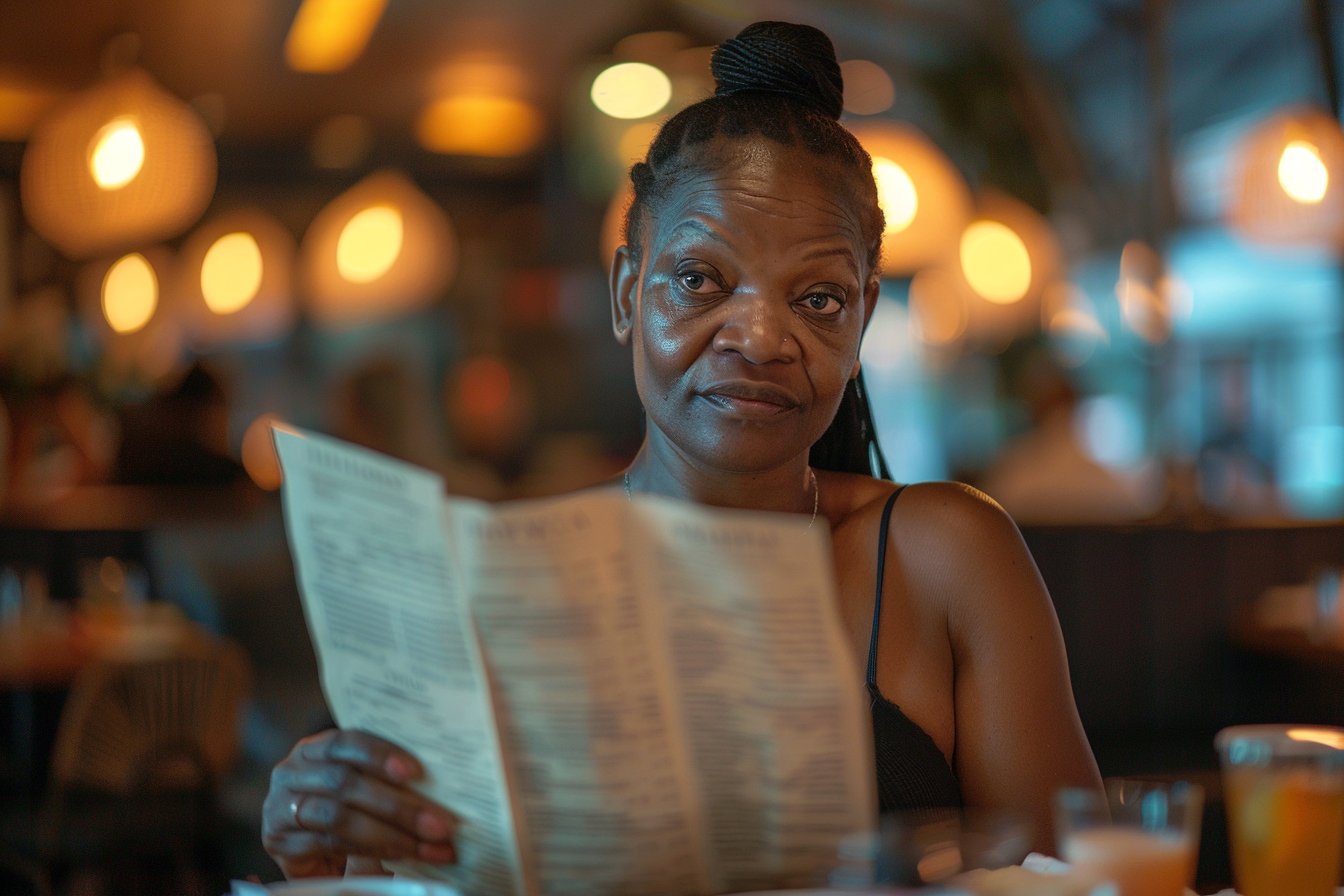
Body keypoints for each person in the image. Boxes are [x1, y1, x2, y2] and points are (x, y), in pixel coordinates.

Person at [261, 21, 1103, 878]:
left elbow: (1078, 880)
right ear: (630, 293)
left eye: (817, 299)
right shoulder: (508, 575)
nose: (763, 337)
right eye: (700, 281)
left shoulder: (946, 556)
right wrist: (316, 831)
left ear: (863, 321)